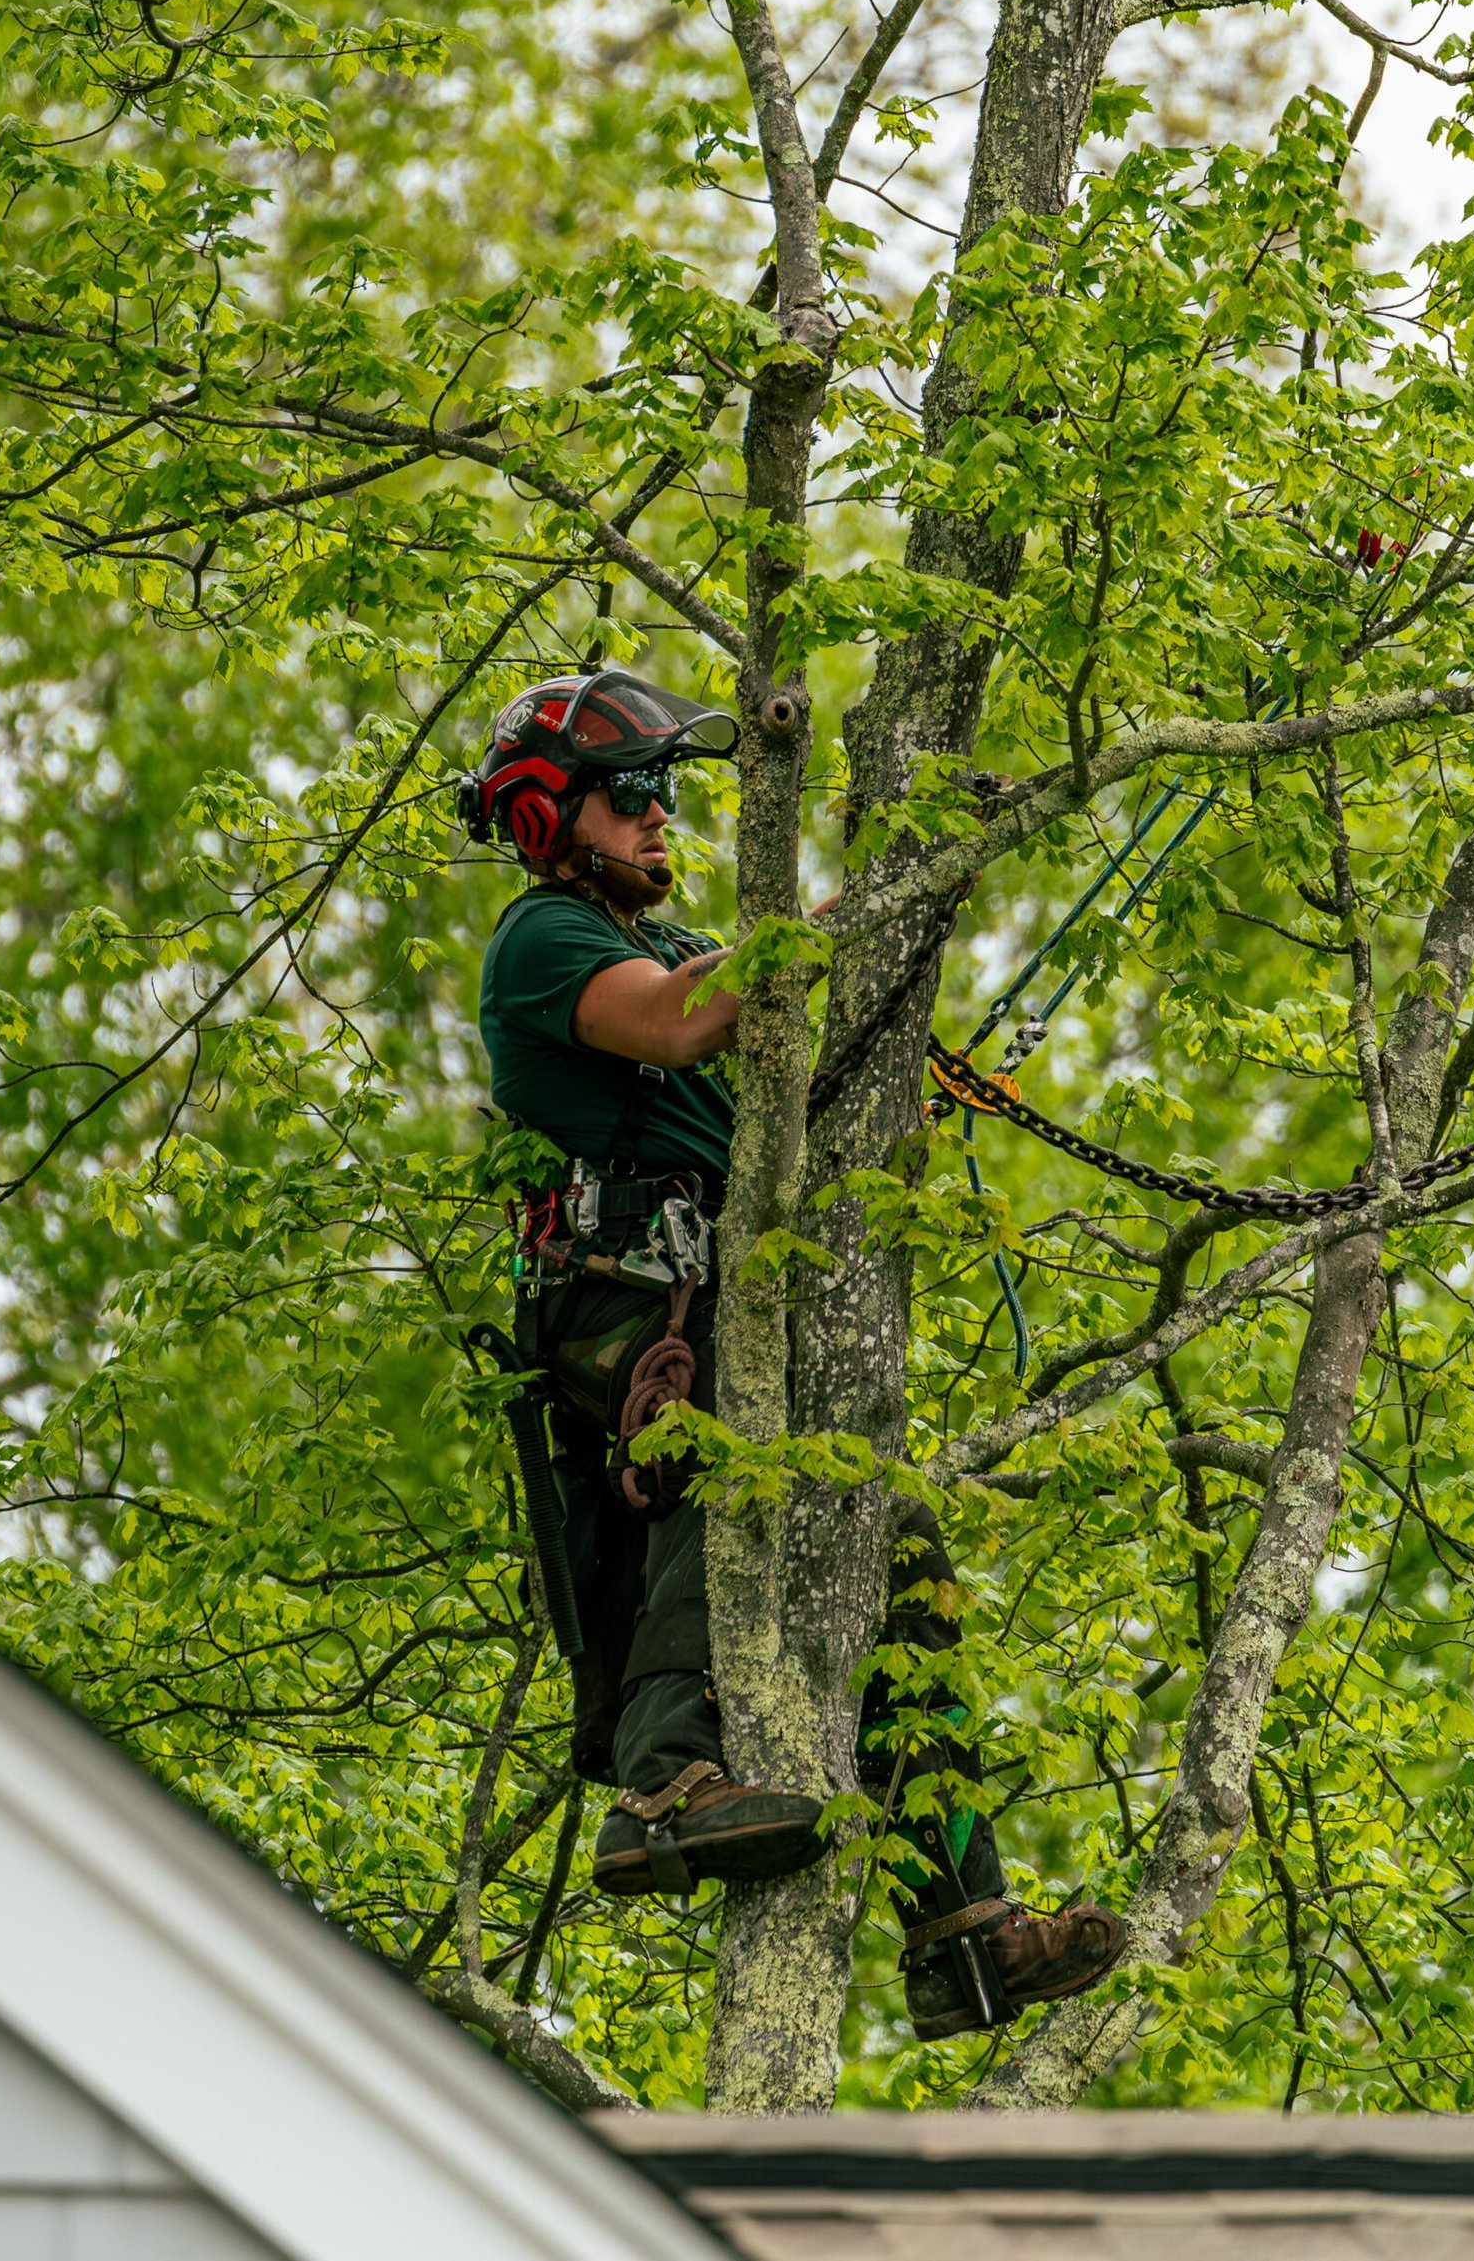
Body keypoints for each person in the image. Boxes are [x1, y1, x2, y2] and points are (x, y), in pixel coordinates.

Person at [461, 666, 1122, 2039]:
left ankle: (963, 1931)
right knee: (723, 1464)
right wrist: (851, 899)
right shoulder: (544, 942)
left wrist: (913, 913)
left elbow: (773, 1061)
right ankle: (661, 1786)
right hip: (622, 1305)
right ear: (554, 814)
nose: (661, 816)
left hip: (718, 1292)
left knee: (901, 1551)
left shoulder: (679, 934)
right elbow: (680, 1017)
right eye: (634, 792)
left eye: (666, 791)